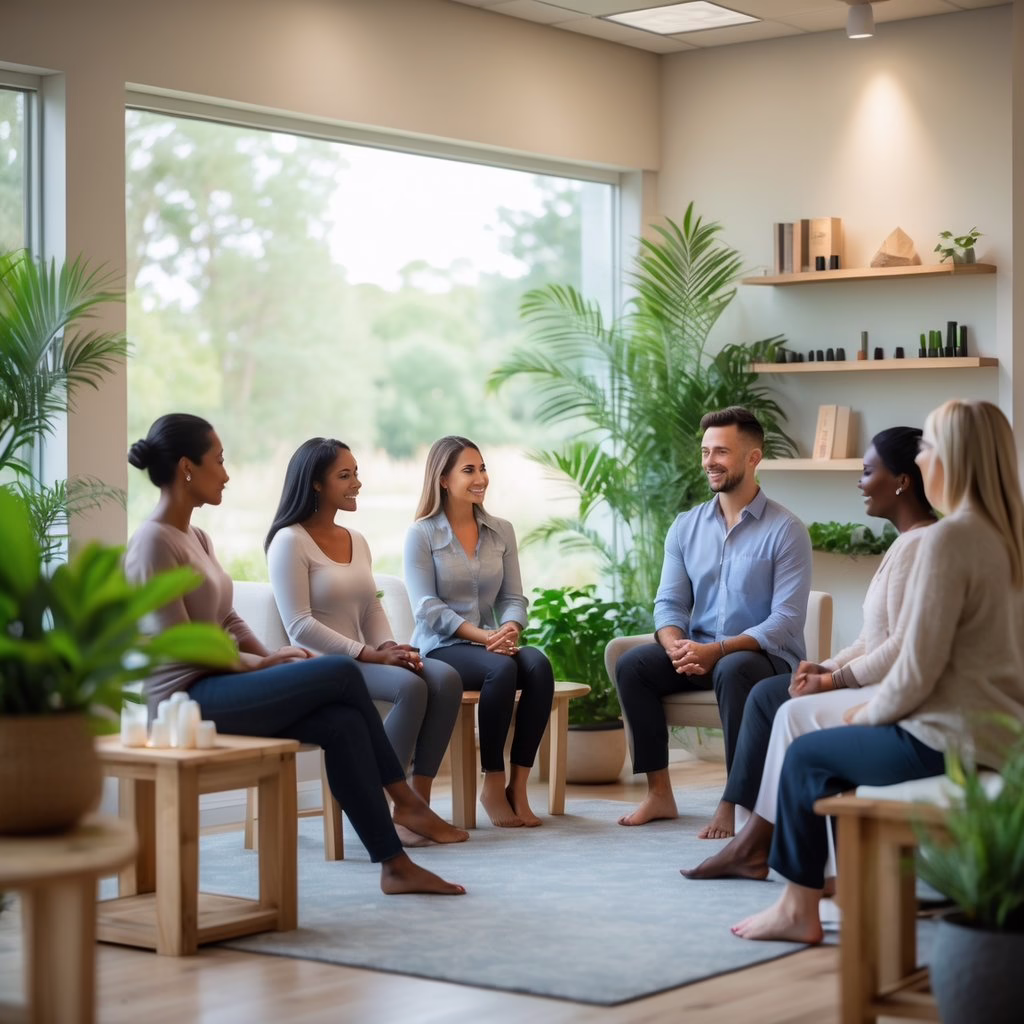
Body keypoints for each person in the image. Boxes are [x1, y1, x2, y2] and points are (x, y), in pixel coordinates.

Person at [124, 413, 467, 896]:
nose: (226, 473)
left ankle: (394, 865)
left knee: (343, 724)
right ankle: (403, 798)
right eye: (218, 462)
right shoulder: (153, 542)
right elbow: (181, 647)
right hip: (186, 699)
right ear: (186, 467)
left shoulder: (197, 537)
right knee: (340, 674)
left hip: (225, 685)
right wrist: (262, 666)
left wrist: (274, 655)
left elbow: (226, 620)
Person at [732, 399, 1024, 944]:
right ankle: (842, 886)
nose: (925, 458)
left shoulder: (947, 540)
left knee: (807, 755)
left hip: (948, 738)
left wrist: (870, 711)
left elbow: (916, 666)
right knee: (825, 746)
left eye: (931, 447)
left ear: (951, 460)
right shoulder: (1008, 540)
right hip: (1001, 738)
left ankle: (798, 909)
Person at [682, 427, 937, 878]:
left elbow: (902, 647)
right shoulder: (905, 544)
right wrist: (828, 665)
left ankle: (751, 842)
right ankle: (752, 840)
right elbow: (871, 638)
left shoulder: (921, 547)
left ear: (902, 481)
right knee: (768, 696)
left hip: (891, 694)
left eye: (868, 471)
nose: (859, 482)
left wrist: (832, 682)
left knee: (765, 695)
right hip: (870, 679)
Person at [615, 406, 812, 827]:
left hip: (763, 659)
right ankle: (660, 794)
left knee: (734, 668)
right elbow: (669, 604)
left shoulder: (786, 529)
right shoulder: (686, 527)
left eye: (721, 452)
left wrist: (718, 650)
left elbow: (787, 619)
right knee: (633, 665)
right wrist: (676, 646)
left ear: (753, 457)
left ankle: (733, 801)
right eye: (705, 452)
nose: (709, 462)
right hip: (700, 652)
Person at [265, 438, 462, 826]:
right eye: (344, 475)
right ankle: (375, 803)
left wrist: (389, 645)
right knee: (410, 687)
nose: (356, 483)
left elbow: (371, 604)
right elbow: (299, 625)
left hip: (366, 657)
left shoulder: (356, 539)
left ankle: (416, 800)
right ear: (316, 484)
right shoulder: (289, 541)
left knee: (445, 678)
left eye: (356, 473)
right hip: (323, 666)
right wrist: (371, 654)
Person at [404, 435, 555, 828]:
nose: (480, 478)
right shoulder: (421, 535)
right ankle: (493, 781)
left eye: (483, 468)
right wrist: (483, 637)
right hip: (441, 647)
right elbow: (426, 607)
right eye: (468, 470)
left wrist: (509, 626)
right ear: (442, 478)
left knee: (538, 665)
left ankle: (518, 787)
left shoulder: (501, 530)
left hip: (490, 642)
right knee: (500, 670)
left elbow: (513, 596)